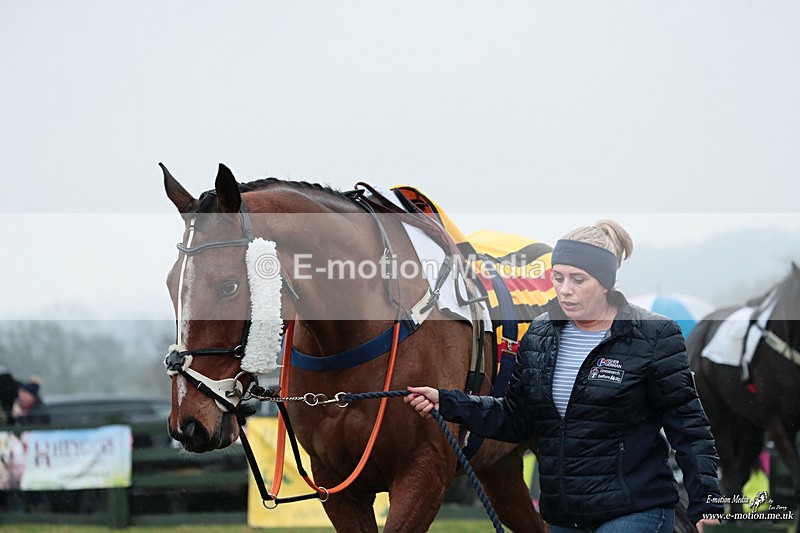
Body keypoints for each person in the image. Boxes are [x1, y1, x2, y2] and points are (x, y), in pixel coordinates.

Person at [406, 220, 723, 533]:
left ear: (605, 282)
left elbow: (688, 426)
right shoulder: (539, 334)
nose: (565, 290)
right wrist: (449, 402)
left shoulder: (654, 335)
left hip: (636, 509)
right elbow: (516, 418)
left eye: (578, 279)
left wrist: (705, 498)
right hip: (566, 517)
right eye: (558, 278)